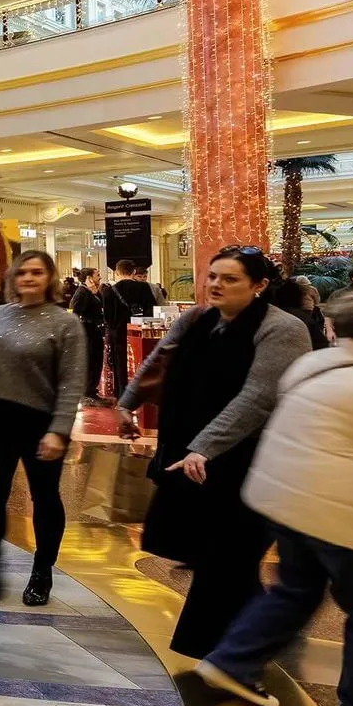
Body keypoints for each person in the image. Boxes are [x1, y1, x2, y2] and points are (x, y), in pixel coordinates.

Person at [193, 289, 353, 706]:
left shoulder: (312, 366)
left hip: (288, 504)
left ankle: (232, 659)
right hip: (351, 519)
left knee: (297, 590)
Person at [117, 245, 311, 658]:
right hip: (195, 460)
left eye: (230, 279)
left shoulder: (283, 328)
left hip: (253, 462)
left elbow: (258, 397)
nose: (216, 285)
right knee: (224, 559)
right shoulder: (196, 318)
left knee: (227, 557)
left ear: (259, 285)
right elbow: (158, 363)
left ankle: (219, 654)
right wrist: (126, 405)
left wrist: (204, 447)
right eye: (213, 276)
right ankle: (262, 636)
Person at [0, 252, 85, 607]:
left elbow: (71, 381)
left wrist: (59, 430)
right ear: (13, 278)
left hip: (38, 420)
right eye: (22, 272)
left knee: (44, 498)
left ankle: (42, 571)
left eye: (37, 272)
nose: (29, 278)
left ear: (50, 278)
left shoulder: (65, 324)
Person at [103, 259, 156, 393]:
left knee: (120, 364)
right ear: (133, 272)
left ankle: (122, 394)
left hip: (119, 333)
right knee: (140, 361)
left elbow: (107, 316)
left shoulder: (109, 291)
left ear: (117, 272)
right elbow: (152, 310)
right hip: (140, 331)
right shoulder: (143, 288)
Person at [70, 268, 108, 400]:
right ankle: (88, 391)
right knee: (91, 359)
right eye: (97, 275)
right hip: (87, 331)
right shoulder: (82, 292)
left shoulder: (93, 292)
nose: (100, 277)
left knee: (96, 359)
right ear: (89, 278)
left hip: (95, 330)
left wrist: (96, 293)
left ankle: (92, 389)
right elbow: (76, 310)